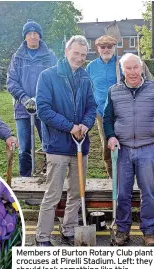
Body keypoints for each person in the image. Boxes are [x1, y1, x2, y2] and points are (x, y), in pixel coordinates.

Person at [35, 35, 97, 246]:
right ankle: (42, 236)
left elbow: (92, 106)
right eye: (75, 53)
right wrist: (70, 126)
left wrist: (86, 125)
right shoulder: (48, 76)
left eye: (83, 54)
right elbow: (43, 110)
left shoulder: (85, 78)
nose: (79, 58)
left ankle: (69, 230)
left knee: (76, 192)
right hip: (58, 145)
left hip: (80, 144)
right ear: (66, 51)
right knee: (53, 194)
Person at [103, 53, 154, 246]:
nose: (132, 72)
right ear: (123, 71)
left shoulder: (153, 89)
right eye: (128, 68)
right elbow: (107, 118)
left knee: (149, 192)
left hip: (147, 148)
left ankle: (149, 232)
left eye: (135, 67)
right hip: (122, 149)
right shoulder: (114, 91)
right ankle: (123, 229)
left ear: (141, 68)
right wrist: (111, 136)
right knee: (123, 192)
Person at [86, 35, 154, 178]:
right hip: (102, 113)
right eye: (103, 47)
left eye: (109, 47)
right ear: (97, 48)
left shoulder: (121, 64)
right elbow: (87, 89)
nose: (106, 49)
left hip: (123, 111)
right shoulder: (91, 67)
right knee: (107, 144)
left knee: (125, 142)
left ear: (114, 47)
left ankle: (129, 175)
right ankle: (112, 177)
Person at [7, 19, 57, 176]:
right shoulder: (17, 57)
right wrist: (24, 98)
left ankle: (48, 176)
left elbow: (55, 79)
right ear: (25, 37)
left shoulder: (49, 56)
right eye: (30, 33)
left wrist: (38, 98)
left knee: (49, 145)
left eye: (36, 33)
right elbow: (11, 81)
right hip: (22, 110)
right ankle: (25, 179)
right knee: (24, 148)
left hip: (45, 108)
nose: (33, 36)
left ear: (40, 36)